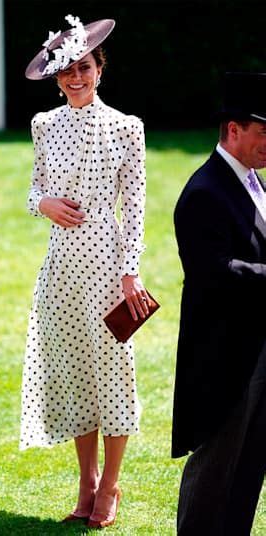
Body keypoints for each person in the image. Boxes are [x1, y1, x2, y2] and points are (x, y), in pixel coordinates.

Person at [20, 14, 151, 529]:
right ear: (56, 78)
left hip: (107, 264)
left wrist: (130, 272)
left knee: (114, 375)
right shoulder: (42, 125)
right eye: (68, 70)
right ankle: (86, 481)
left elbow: (136, 208)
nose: (77, 77)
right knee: (74, 375)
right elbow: (33, 190)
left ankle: (111, 486)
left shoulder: (127, 128)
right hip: (61, 269)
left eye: (85, 67)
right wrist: (43, 204)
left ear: (100, 68)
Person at [172, 71, 266, 535]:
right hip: (223, 360)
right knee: (215, 473)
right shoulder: (203, 192)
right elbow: (215, 274)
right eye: (264, 131)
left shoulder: (253, 180)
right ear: (234, 129)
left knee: (248, 469)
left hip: (257, 352)